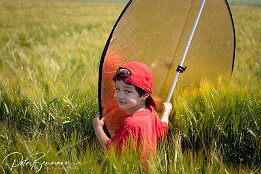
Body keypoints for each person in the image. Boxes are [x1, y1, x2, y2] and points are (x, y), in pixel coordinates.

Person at [93, 61, 172, 160]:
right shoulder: (150, 111)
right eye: (117, 89)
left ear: (145, 95)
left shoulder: (130, 124)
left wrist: (98, 128)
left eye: (128, 91)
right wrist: (166, 113)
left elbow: (113, 151)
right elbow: (162, 129)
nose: (120, 95)